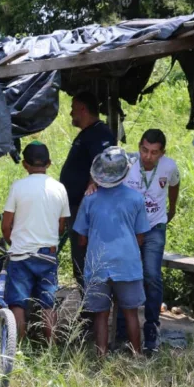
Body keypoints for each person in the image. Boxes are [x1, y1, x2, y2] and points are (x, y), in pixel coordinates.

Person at [73, 146, 150, 357]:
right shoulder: (136, 199)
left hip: (98, 265)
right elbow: (141, 235)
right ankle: (137, 354)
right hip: (127, 263)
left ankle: (101, 355)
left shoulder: (90, 198)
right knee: (131, 313)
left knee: (100, 315)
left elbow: (81, 238)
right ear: (125, 172)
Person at [117, 129, 180, 353]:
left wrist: (171, 209)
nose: (148, 156)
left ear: (162, 153)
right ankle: (122, 329)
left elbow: (174, 184)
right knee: (125, 275)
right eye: (144, 150)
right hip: (130, 229)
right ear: (139, 147)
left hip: (154, 227)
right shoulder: (128, 165)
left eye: (154, 152)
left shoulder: (169, 166)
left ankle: (152, 326)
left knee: (152, 275)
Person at [1, 141, 70, 343]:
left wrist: (12, 241)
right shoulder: (59, 189)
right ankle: (50, 351)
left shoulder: (18, 187)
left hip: (21, 254)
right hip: (47, 254)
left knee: (17, 304)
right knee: (48, 304)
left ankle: (17, 348)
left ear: (25, 164)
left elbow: (6, 225)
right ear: (49, 163)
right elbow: (61, 226)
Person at [59, 94, 115, 289]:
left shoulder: (99, 133)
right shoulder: (88, 133)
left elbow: (102, 163)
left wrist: (90, 191)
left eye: (73, 108)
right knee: (79, 258)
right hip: (77, 207)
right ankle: (89, 306)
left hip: (85, 208)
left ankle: (92, 308)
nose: (70, 113)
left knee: (84, 258)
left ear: (83, 109)